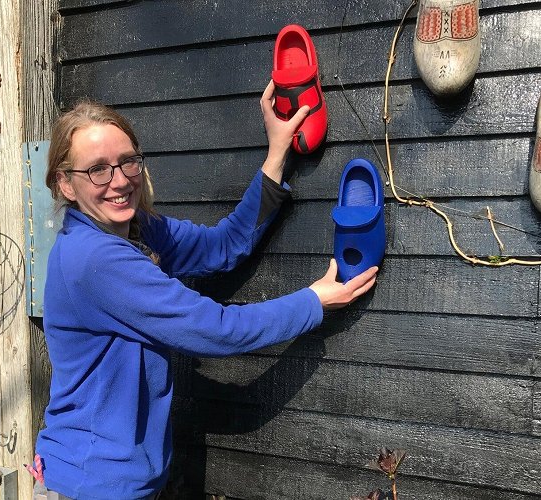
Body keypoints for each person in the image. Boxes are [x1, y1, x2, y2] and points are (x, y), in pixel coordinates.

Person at [33, 80, 378, 499]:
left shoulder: (138, 232)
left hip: (118, 479)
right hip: (92, 484)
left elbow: (223, 245)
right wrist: (314, 303)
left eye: (128, 162)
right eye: (98, 169)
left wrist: (276, 155)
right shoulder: (94, 259)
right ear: (65, 185)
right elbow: (216, 330)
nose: (120, 181)